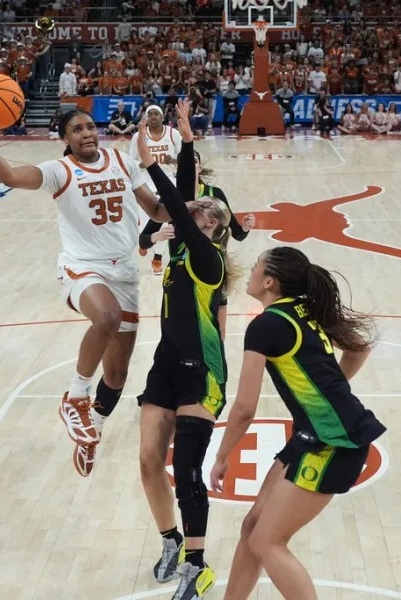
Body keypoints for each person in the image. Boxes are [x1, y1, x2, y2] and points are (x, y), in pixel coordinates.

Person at [0, 96, 166, 477]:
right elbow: (10, 177)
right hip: (82, 267)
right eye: (76, 130)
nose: (86, 133)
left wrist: (187, 206)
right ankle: (75, 396)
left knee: (117, 375)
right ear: (65, 139)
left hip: (124, 272)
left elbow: (156, 210)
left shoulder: (121, 161)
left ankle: (93, 431)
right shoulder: (59, 171)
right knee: (107, 317)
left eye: (90, 127)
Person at [210, 246, 386, 600]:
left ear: (269, 282)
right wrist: (332, 391)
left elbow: (244, 408)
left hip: (335, 442)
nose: (251, 271)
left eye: (257, 266)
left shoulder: (265, 327)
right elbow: (359, 348)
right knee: (252, 528)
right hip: (312, 434)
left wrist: (221, 456)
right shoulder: (304, 309)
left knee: (266, 541)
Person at [135, 100, 234, 600]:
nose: (200, 209)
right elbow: (182, 191)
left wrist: (150, 163)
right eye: (198, 207)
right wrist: (186, 141)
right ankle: (170, 540)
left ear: (214, 227)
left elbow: (177, 201)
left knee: (188, 470)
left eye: (208, 211)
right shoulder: (178, 249)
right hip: (166, 365)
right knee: (148, 461)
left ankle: (198, 565)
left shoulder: (208, 258)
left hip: (203, 373)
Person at [139, 148, 254, 337]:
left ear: (200, 167)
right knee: (178, 328)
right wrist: (156, 237)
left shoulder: (213, 194)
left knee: (215, 331)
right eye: (184, 162)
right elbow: (143, 241)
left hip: (210, 266)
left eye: (193, 161)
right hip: (180, 270)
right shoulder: (172, 199)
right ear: (178, 168)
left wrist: (245, 228)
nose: (189, 165)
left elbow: (237, 234)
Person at [128, 104, 181, 275]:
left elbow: (186, 159)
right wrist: (141, 164)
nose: (152, 116)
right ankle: (145, 242)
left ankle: (157, 258)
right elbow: (130, 162)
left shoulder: (173, 134)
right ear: (145, 118)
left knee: (166, 225)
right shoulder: (138, 136)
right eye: (149, 114)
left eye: (156, 113)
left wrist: (173, 161)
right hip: (145, 185)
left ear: (162, 117)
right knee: (145, 226)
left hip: (168, 184)